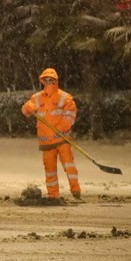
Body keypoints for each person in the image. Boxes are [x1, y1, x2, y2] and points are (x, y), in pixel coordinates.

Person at [21, 68, 81, 200]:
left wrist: (60, 128)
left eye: (51, 80)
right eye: (46, 80)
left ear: (56, 81)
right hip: (46, 142)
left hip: (61, 139)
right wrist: (28, 107)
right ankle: (53, 195)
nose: (48, 82)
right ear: (42, 81)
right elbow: (25, 111)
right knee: (50, 170)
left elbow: (71, 115)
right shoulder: (36, 98)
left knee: (68, 165)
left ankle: (75, 189)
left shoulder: (64, 97)